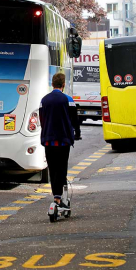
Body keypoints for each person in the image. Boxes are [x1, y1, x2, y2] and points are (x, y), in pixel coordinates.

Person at [38, 73, 81, 208]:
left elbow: (42, 120)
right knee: (62, 168)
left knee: (52, 168)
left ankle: (56, 198)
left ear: (52, 84)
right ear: (63, 85)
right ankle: (60, 197)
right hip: (63, 140)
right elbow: (75, 120)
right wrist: (77, 134)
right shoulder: (68, 100)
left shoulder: (44, 100)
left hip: (48, 140)